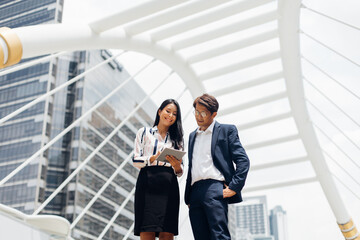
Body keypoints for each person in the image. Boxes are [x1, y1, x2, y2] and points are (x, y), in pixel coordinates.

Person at [184, 93, 250, 240]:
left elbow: (243, 160)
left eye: (203, 113)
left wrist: (234, 186)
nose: (198, 116)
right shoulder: (192, 136)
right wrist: (190, 196)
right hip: (194, 192)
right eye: (196, 112)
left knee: (219, 236)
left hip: (214, 188)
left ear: (213, 114)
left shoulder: (226, 130)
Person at [133, 99, 184, 240]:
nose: (171, 115)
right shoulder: (144, 132)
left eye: (175, 114)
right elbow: (135, 160)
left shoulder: (177, 139)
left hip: (169, 186)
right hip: (147, 183)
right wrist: (152, 158)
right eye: (168, 111)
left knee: (167, 233)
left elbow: (180, 171)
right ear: (160, 111)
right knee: (146, 230)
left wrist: (177, 166)